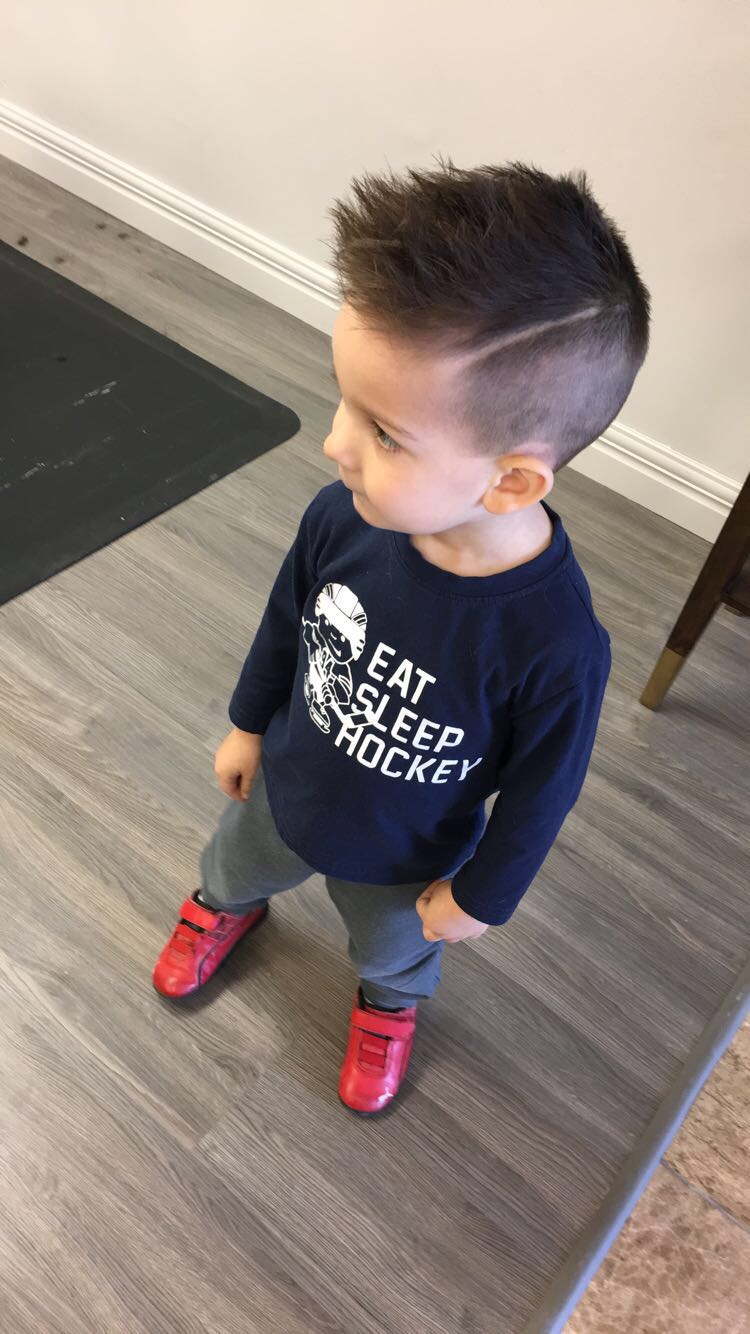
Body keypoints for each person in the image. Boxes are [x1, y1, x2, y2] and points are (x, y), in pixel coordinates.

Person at [153, 158, 650, 1115]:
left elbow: (543, 790)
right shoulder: (342, 519)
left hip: (410, 852)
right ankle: (223, 908)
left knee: (393, 947)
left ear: (511, 480)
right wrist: (249, 723)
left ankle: (388, 1004)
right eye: (346, 402)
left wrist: (483, 895)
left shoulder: (556, 644)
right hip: (289, 781)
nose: (336, 444)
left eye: (384, 433)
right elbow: (287, 622)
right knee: (235, 860)